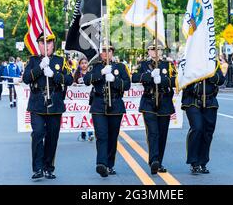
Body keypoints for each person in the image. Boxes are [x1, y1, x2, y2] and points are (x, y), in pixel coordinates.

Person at [22, 33, 73, 180]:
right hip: (37, 102)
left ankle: (48, 167)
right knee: (37, 134)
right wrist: (40, 67)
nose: (46, 45)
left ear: (53, 45)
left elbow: (69, 79)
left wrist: (54, 75)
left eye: (49, 43)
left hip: (54, 102)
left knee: (52, 137)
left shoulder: (60, 60)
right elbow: (26, 78)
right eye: (43, 43)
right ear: (39, 45)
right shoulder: (32, 61)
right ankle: (37, 168)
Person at [83, 44, 131, 177]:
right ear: (100, 53)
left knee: (112, 136)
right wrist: (101, 73)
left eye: (108, 50)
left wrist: (115, 80)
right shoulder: (95, 66)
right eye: (103, 50)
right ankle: (101, 164)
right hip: (98, 104)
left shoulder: (120, 67)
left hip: (115, 104)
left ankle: (110, 164)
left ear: (112, 52)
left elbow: (127, 85)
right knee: (101, 135)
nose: (106, 52)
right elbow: (86, 80)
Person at [132, 40, 175, 175]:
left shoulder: (168, 65)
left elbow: (176, 80)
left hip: (165, 101)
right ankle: (154, 160)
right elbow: (134, 77)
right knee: (153, 133)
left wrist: (162, 80)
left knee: (162, 134)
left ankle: (159, 162)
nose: (155, 51)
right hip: (148, 101)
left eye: (158, 49)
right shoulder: (143, 65)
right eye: (152, 49)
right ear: (148, 51)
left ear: (162, 51)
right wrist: (149, 76)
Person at [182, 62, 225, 174]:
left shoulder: (213, 62)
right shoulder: (190, 58)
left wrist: (210, 74)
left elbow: (221, 80)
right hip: (193, 100)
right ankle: (194, 162)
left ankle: (202, 163)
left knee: (207, 132)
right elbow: (182, 78)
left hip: (210, 100)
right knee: (197, 128)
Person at [73, 57, 94, 142]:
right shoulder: (77, 74)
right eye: (82, 63)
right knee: (82, 115)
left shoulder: (91, 73)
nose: (84, 64)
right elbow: (73, 83)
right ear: (79, 64)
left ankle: (90, 133)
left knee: (89, 115)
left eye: (85, 63)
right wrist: (74, 84)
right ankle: (83, 132)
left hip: (89, 98)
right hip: (80, 99)